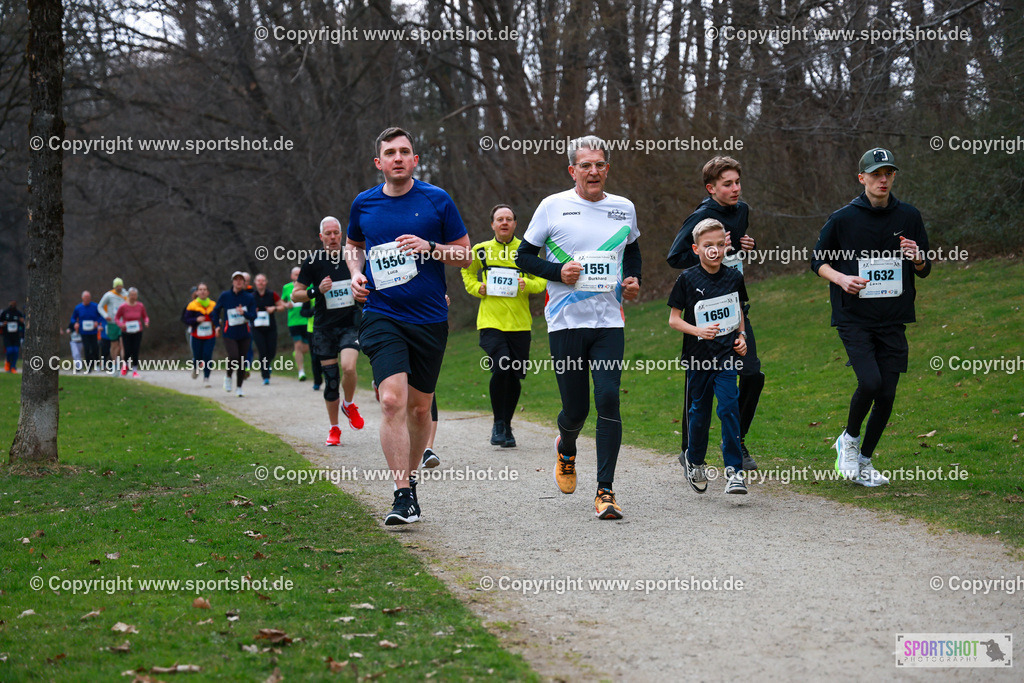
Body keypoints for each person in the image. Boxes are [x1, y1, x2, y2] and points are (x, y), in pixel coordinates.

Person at [345, 126, 471, 525]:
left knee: (419, 409)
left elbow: (466, 256)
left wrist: (429, 247)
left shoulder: (437, 200)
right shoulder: (363, 204)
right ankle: (401, 495)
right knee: (391, 401)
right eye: (390, 153)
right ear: (378, 163)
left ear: (415, 159)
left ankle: (411, 481)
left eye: (405, 151)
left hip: (430, 318)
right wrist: (355, 274)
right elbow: (354, 247)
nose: (398, 158)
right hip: (382, 314)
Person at [515, 134, 642, 520]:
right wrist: (558, 272)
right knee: (576, 408)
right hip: (565, 323)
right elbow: (523, 256)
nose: (593, 171)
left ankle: (605, 491)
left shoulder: (624, 208)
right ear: (573, 170)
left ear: (607, 169)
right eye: (585, 165)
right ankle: (566, 448)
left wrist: (632, 279)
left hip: (608, 322)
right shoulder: (552, 207)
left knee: (608, 399)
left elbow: (632, 248)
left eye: (599, 164)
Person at [811, 147, 930, 487]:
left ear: (893, 177)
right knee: (871, 383)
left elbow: (924, 269)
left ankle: (864, 461)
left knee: (888, 394)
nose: (882, 179)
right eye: (876, 174)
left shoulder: (909, 216)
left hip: (893, 318)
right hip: (854, 318)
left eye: (888, 173)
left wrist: (918, 258)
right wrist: (841, 278)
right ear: (862, 178)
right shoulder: (843, 218)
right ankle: (847, 440)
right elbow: (816, 260)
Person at [666, 156, 764, 471]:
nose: (735, 189)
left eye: (737, 182)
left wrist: (741, 246)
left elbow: (731, 251)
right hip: (703, 307)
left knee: (751, 373)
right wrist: (715, 251)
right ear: (711, 188)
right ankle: (688, 452)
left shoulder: (743, 211)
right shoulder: (701, 217)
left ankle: (736, 439)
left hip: (733, 303)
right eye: (727, 184)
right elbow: (675, 257)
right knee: (699, 381)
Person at [668, 219, 750, 495]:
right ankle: (695, 461)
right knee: (699, 415)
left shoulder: (734, 278)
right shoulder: (687, 279)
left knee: (729, 408)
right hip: (698, 358)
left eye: (719, 244)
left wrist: (742, 338)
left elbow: (739, 313)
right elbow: (674, 320)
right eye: (707, 246)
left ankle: (734, 472)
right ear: (696, 249)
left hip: (726, 356)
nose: (714, 250)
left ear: (726, 245)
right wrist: (698, 331)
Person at [461, 204, 546, 448]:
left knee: (515, 375)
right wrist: (478, 288)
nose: (504, 223)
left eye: (509, 219)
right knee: (501, 366)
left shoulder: (525, 251)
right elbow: (467, 273)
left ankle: (507, 426)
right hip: (491, 322)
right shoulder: (481, 250)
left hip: (520, 324)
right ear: (492, 224)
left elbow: (541, 280)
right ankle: (498, 423)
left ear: (515, 224)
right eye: (500, 219)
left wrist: (526, 285)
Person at [292, 217, 366, 446]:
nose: (333, 237)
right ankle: (334, 428)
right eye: (328, 233)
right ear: (321, 236)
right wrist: (316, 291)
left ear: (342, 234)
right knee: (331, 381)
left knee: (349, 367)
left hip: (350, 324)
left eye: (336, 233)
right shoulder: (313, 262)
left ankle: (349, 404)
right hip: (324, 327)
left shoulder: (353, 257)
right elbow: (296, 294)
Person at [214, 271, 257, 397]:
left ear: (244, 282)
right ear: (232, 281)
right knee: (233, 356)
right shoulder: (225, 296)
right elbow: (216, 311)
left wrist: (244, 313)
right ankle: (228, 376)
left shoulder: (249, 297)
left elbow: (254, 316)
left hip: (244, 333)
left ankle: (239, 387)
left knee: (242, 360)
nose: (238, 282)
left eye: (241, 280)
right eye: (236, 279)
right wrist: (217, 325)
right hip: (229, 333)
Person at [182, 282, 217, 387]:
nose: (202, 291)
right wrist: (196, 319)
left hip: (210, 335)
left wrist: (217, 325)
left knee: (207, 356)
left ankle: (206, 378)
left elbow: (217, 318)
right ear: (197, 292)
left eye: (204, 289)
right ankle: (196, 368)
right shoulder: (192, 305)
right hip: (197, 335)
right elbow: (186, 319)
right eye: (200, 289)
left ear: (208, 292)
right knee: (197, 356)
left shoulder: (213, 305)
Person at [251, 273, 282, 385]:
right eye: (258, 281)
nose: (260, 283)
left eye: (263, 280)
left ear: (266, 282)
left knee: (271, 351)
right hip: (257, 328)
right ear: (255, 282)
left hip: (270, 327)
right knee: (262, 351)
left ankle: (267, 364)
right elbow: (245, 309)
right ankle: (265, 376)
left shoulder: (272, 294)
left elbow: (282, 306)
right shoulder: (251, 296)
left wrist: (274, 308)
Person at [281, 266, 310, 381]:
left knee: (306, 348)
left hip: (306, 320)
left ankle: (297, 354)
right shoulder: (287, 287)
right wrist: (286, 305)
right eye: (295, 274)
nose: (297, 276)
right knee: (297, 345)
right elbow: (282, 301)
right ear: (291, 276)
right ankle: (301, 372)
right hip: (293, 321)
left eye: (300, 274)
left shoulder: (309, 286)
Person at [114, 287, 149, 378]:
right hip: (126, 331)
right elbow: (117, 318)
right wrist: (121, 324)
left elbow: (145, 316)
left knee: (135, 350)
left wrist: (146, 322)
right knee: (127, 350)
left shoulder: (140, 306)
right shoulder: (123, 306)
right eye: (132, 295)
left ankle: (135, 370)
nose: (133, 297)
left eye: (135, 295)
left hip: (137, 331)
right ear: (128, 295)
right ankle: (125, 366)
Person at [98, 278, 127, 373]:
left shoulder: (126, 294)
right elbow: (100, 307)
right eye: (118, 286)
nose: (120, 287)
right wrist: (106, 316)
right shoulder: (109, 295)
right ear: (114, 286)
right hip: (112, 323)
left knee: (123, 344)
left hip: (122, 323)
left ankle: (124, 365)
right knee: (114, 345)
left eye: (121, 285)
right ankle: (114, 363)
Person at [69, 290, 103, 372]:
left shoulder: (95, 306)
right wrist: (75, 323)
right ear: (82, 298)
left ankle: (97, 364)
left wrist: (97, 322)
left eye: (88, 297)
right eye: (85, 297)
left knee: (95, 348)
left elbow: (101, 316)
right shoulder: (78, 308)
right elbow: (73, 318)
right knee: (87, 349)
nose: (87, 299)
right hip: (83, 332)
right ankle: (88, 367)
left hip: (93, 332)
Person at [2, 301, 26, 372]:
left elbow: (23, 325)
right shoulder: (5, 313)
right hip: (7, 336)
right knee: (9, 351)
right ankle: (8, 363)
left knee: (15, 351)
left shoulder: (18, 313)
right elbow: (1, 322)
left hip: (16, 336)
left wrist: (22, 322)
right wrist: (3, 323)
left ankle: (13, 366)